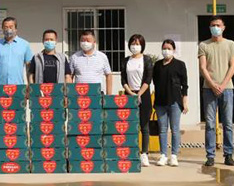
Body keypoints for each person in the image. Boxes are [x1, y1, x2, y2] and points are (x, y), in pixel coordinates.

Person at [199, 16, 234, 167]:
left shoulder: (230, 44)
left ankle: (228, 154)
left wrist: (222, 84)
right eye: (213, 25)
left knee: (227, 123)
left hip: (227, 89)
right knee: (209, 123)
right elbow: (203, 67)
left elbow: (233, 66)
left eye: (218, 25)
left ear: (223, 27)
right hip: (209, 89)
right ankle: (210, 155)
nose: (215, 27)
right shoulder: (204, 45)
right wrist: (212, 84)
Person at [152, 39, 188, 167]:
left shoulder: (180, 65)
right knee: (162, 129)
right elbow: (155, 81)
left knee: (175, 129)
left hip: (175, 101)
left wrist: (184, 101)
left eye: (169, 48)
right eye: (164, 48)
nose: (166, 51)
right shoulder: (157, 65)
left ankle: (174, 155)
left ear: (173, 50)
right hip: (160, 102)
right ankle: (163, 155)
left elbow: (185, 85)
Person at [120, 34, 153, 167]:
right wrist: (130, 93)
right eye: (133, 44)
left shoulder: (147, 60)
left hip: (143, 94)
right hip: (129, 94)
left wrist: (139, 94)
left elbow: (148, 79)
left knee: (144, 125)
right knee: (129, 125)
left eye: (138, 44)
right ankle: (131, 152)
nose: (135, 46)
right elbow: (123, 79)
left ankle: (144, 153)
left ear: (142, 46)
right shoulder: (125, 60)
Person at [0, 17, 33, 98]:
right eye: (6, 27)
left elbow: (29, 67)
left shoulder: (25, 45)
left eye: (11, 27)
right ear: (2, 29)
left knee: (18, 107)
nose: (8, 29)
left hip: (18, 87)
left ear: (16, 29)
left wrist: (30, 86)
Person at [69, 30, 112, 94]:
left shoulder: (102, 57)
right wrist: (70, 94)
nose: (85, 43)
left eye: (88, 40)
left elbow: (108, 75)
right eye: (83, 40)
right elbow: (70, 77)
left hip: (97, 93)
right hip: (79, 93)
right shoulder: (74, 57)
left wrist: (109, 95)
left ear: (94, 42)